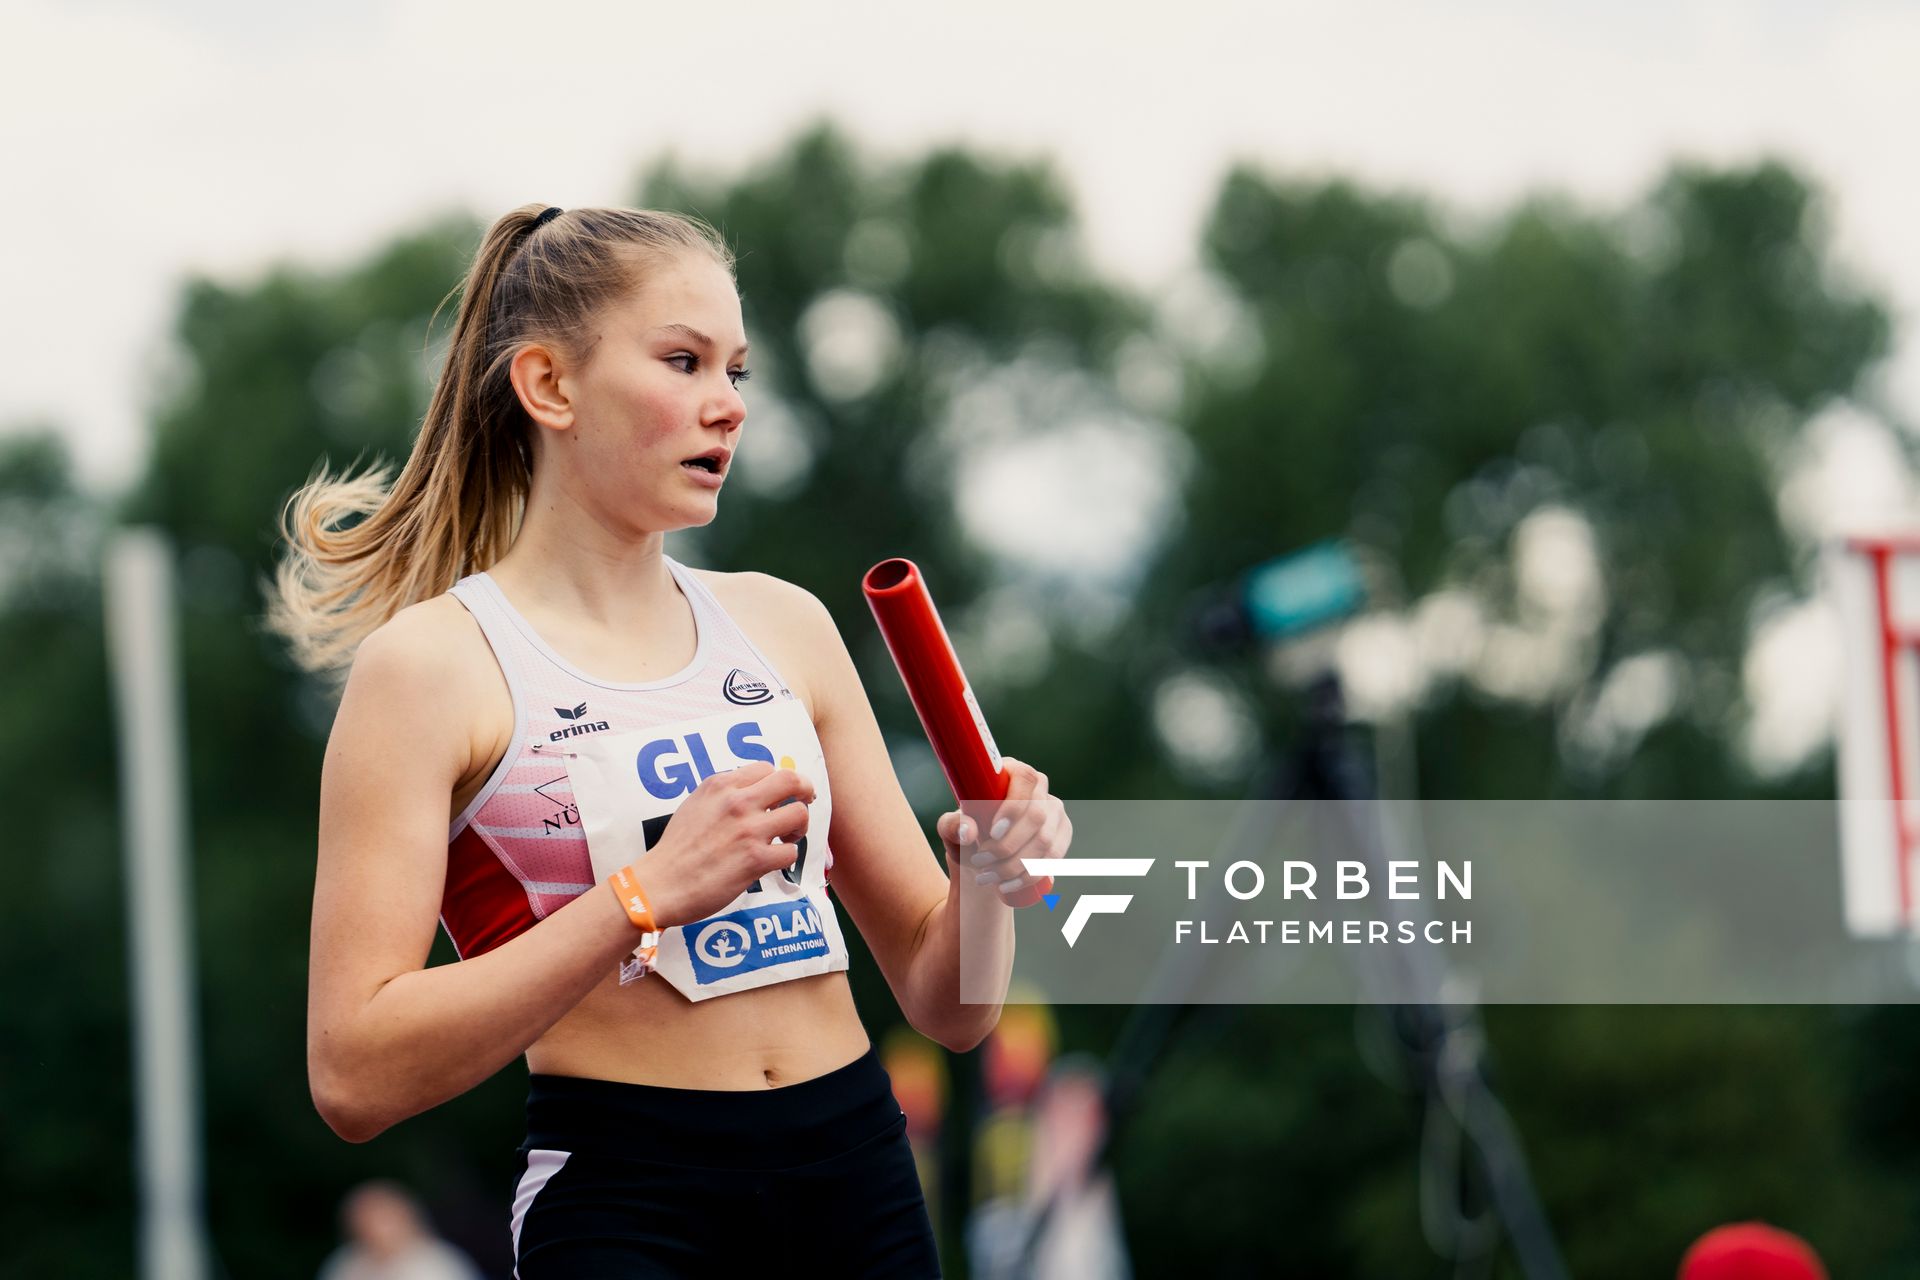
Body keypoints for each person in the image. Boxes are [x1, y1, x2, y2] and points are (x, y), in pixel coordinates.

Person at [270, 204, 1071, 1277]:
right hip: (630, 1194)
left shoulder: (785, 623)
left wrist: (983, 875)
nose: (729, 405)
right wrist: (642, 897)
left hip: (857, 1175)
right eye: (684, 362)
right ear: (550, 385)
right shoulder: (431, 667)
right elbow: (353, 1074)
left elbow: (949, 1005)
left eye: (737, 371)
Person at [318, 1181, 479, 1280]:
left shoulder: (438, 1263)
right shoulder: (346, 1263)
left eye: (383, 1220)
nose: (374, 1231)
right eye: (365, 1221)